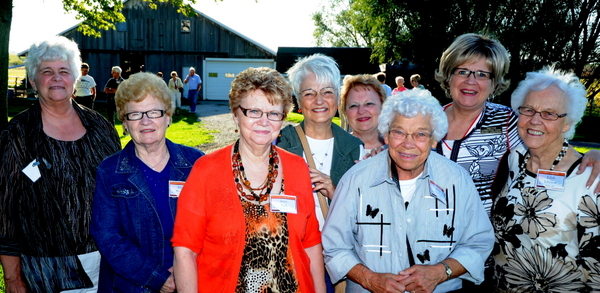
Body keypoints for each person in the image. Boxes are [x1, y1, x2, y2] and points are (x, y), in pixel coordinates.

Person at [433, 32, 600, 289]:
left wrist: (593, 154)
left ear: (494, 82)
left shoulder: (508, 121)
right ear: (448, 74)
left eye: (482, 74)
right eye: (462, 71)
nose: (471, 81)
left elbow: (547, 136)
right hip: (427, 252)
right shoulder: (426, 120)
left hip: (483, 261)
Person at [322, 90, 494, 293]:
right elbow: (334, 246)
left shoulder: (457, 180)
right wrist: (369, 279)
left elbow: (478, 242)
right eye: (399, 132)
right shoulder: (356, 180)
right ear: (386, 135)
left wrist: (441, 272)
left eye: (421, 134)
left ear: (434, 139)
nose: (408, 143)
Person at [172, 67, 326, 292]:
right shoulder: (206, 171)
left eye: (274, 113)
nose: (264, 122)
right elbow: (185, 250)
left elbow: (311, 242)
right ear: (236, 114)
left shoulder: (297, 168)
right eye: (254, 111)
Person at [0, 36, 121, 292]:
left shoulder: (101, 128)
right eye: (47, 72)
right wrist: (12, 277)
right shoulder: (17, 134)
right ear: (33, 80)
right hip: (45, 270)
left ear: (75, 78)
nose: (56, 78)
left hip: (108, 261)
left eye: (64, 71)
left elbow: (120, 192)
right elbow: (4, 209)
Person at [90, 72, 204, 292]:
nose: (145, 121)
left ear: (168, 116)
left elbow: (214, 228)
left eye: (154, 112)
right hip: (130, 285)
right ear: (124, 122)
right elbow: (107, 236)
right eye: (134, 114)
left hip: (192, 280)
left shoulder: (196, 163)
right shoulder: (109, 171)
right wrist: (158, 277)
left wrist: (187, 272)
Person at [492, 67, 600, 291]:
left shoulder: (590, 180)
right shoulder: (513, 161)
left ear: (567, 123)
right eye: (528, 109)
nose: (535, 120)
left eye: (550, 113)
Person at [277, 54, 362, 226]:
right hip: (294, 248)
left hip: (337, 249)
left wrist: (334, 192)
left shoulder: (355, 148)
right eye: (309, 93)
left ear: (337, 98)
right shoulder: (281, 143)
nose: (319, 100)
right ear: (299, 101)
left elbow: (364, 215)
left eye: (327, 92)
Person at [340, 74, 387, 158]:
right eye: (354, 105)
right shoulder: (335, 151)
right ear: (345, 111)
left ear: (382, 106)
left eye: (369, 103)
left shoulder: (398, 148)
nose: (361, 111)